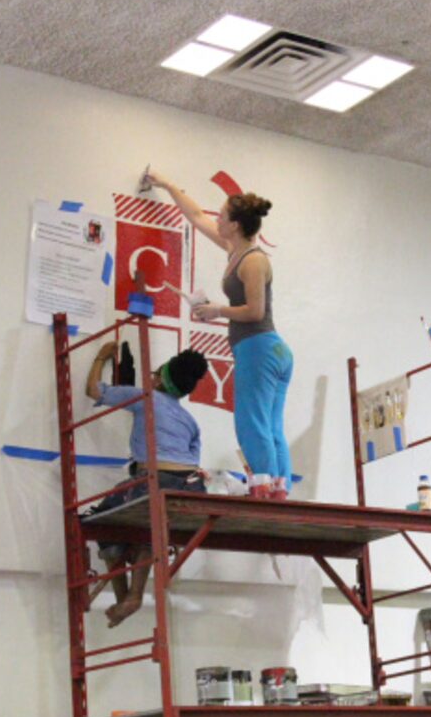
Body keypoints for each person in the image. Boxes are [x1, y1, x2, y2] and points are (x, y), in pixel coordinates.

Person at [145, 171, 293, 500]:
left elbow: (255, 311)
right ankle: (278, 487)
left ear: (236, 225)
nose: (218, 219)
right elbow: (196, 216)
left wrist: (216, 310)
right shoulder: (234, 249)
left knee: (251, 422)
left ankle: (266, 487)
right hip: (267, 350)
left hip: (260, 346)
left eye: (223, 216)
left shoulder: (253, 262)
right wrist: (169, 185)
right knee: (269, 424)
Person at [84, 340, 208, 626]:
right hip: (190, 486)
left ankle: (126, 595)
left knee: (102, 521)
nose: (149, 378)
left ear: (161, 382)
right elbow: (192, 462)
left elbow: (93, 390)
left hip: (153, 479)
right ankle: (133, 596)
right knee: (151, 527)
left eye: (154, 374)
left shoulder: (144, 397)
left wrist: (102, 357)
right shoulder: (190, 421)